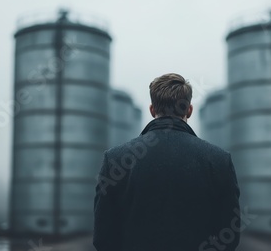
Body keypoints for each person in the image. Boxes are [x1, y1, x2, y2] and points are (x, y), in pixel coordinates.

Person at [93, 73, 240, 251]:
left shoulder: (115, 159)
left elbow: (103, 237)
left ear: (152, 110)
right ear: (189, 110)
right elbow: (230, 237)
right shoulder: (219, 160)